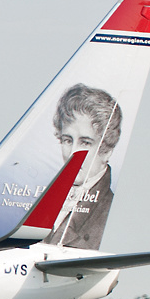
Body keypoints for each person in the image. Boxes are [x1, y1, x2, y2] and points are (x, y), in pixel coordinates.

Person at [45, 83, 120, 250]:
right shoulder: (43, 197)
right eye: (67, 140)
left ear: (106, 150)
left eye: (85, 143)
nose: (73, 152)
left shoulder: (109, 211)